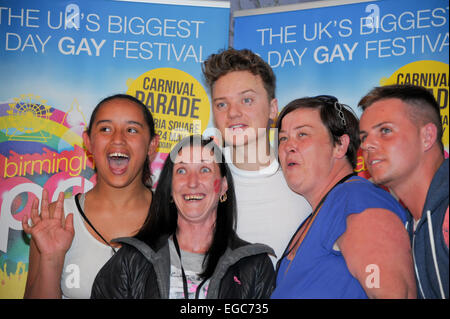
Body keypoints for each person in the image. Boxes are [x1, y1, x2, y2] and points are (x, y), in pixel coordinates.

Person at [91, 135, 275, 299]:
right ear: (170, 188)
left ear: (223, 186)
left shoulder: (254, 266)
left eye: (204, 169)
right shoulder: (131, 259)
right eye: (181, 171)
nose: (192, 182)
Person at [271, 95, 416, 298]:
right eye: (283, 138)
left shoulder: (358, 198)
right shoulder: (323, 211)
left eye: (302, 134)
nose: (288, 146)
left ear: (340, 145)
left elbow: (396, 294)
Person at [22, 94, 159, 298]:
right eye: (105, 129)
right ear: (88, 142)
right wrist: (52, 259)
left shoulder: (179, 217)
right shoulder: (55, 219)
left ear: (151, 145)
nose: (118, 139)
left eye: (132, 130)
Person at [202, 48, 311, 264]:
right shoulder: (197, 181)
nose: (233, 113)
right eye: (222, 104)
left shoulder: (308, 181)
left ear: (273, 109)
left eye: (247, 100)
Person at [358, 84, 449, 299]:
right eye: (363, 137)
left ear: (427, 136)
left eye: (385, 131)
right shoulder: (410, 224)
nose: (368, 145)